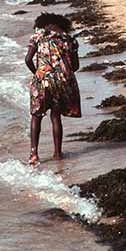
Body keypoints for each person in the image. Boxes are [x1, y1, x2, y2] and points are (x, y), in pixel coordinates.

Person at [24, 13, 81, 165]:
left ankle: (34, 154)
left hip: (41, 80)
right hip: (62, 82)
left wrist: (37, 73)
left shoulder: (37, 37)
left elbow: (28, 59)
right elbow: (75, 66)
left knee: (36, 116)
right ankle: (57, 153)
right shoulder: (70, 40)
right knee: (56, 117)